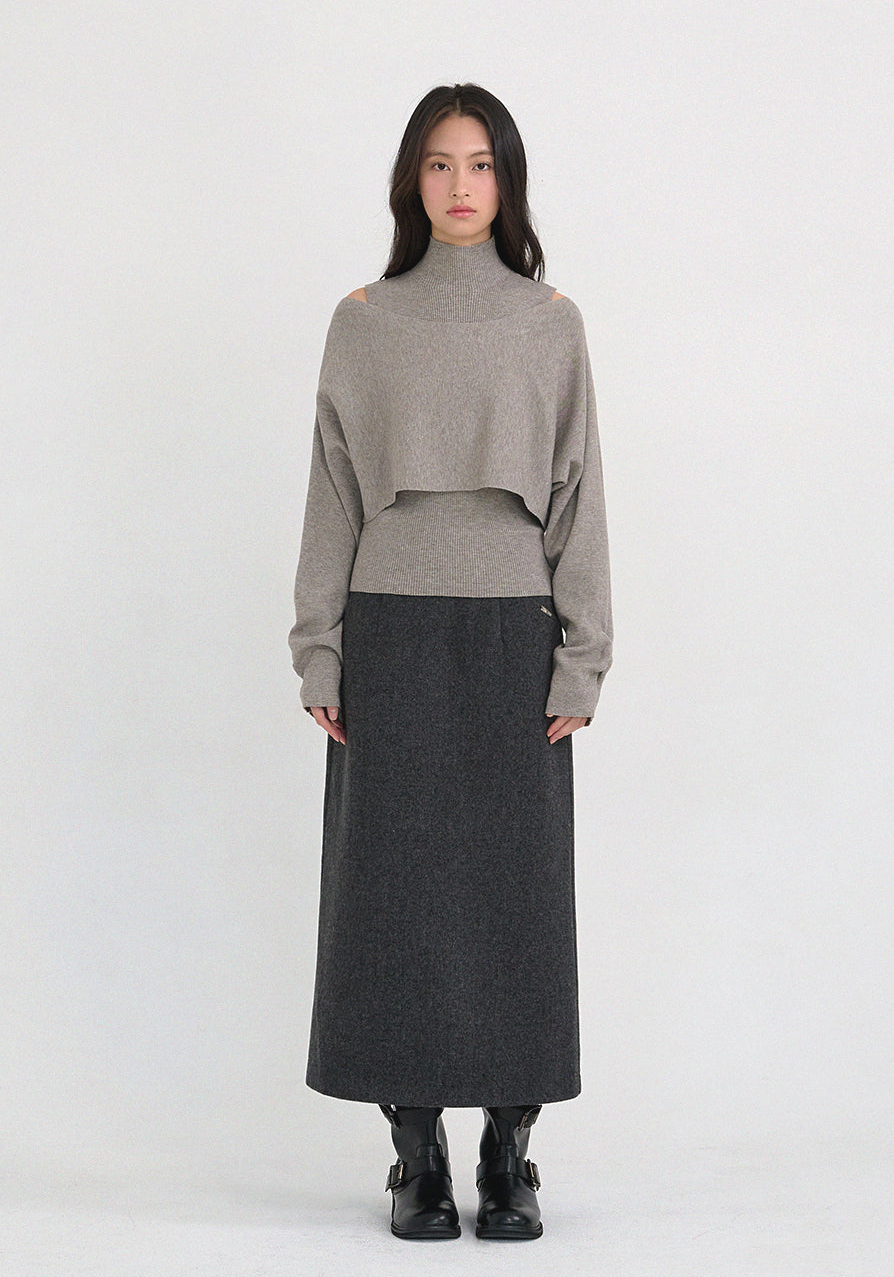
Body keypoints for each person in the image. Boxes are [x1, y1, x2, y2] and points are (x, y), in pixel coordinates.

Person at [288, 82, 613, 1241]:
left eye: (479, 163)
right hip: (390, 626)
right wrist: (319, 646)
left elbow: (577, 491)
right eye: (438, 163)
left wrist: (581, 656)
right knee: (395, 889)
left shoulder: (549, 321)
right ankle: (414, 1146)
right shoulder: (363, 319)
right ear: (410, 181)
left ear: (506, 180)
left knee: (516, 891)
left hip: (511, 629)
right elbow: (332, 491)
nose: (459, 184)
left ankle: (507, 1147)